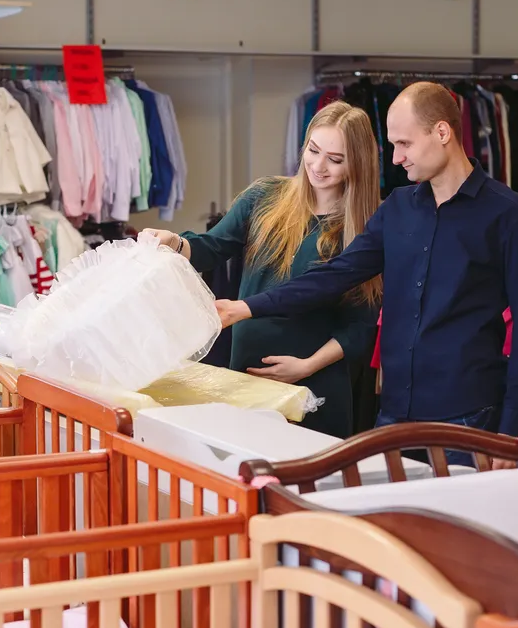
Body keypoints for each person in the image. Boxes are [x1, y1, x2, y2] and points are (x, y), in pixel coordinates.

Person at [215, 81, 518, 450]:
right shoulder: (397, 209)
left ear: (442, 132)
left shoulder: (512, 215)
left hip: (469, 418)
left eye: (404, 144)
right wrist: (245, 307)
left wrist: (511, 434)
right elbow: (334, 276)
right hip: (393, 416)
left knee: (457, 511)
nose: (395, 158)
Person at [142, 100, 381, 436]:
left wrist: (306, 367)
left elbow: (361, 325)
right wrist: (175, 243)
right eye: (313, 151)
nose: (318, 166)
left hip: (316, 385)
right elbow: (213, 247)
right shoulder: (264, 196)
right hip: (246, 374)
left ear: (358, 164)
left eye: (336, 159)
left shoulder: (366, 228)